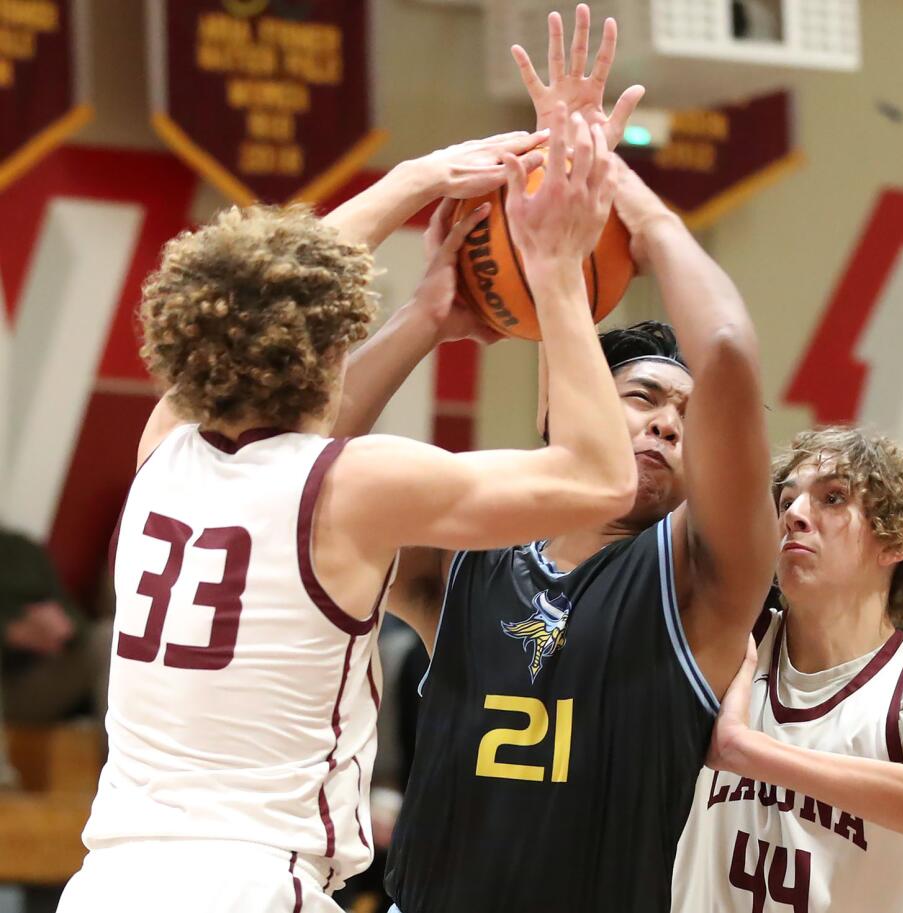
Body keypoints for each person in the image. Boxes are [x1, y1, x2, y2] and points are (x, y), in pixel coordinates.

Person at [56, 113, 638, 913]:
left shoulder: (163, 450)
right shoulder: (353, 485)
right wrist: (561, 275)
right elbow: (602, 478)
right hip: (247, 883)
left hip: (109, 881)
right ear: (326, 347)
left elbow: (266, 290)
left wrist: (416, 207)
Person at [316, 9, 777, 910]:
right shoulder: (465, 552)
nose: (666, 425)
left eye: (683, 418)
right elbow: (304, 469)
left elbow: (722, 350)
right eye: (639, 397)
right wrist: (424, 318)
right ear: (559, 404)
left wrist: (618, 192)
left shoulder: (703, 575)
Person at [675, 426, 903, 913]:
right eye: (786, 501)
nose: (794, 515)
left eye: (832, 498)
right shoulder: (733, 642)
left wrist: (751, 753)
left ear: (897, 542)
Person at [1, 527, 109, 734]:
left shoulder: (22, 549)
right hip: (7, 679)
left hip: (41, 674)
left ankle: (119, 758)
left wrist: (62, 629)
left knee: (106, 637)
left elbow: (74, 616)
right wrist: (11, 632)